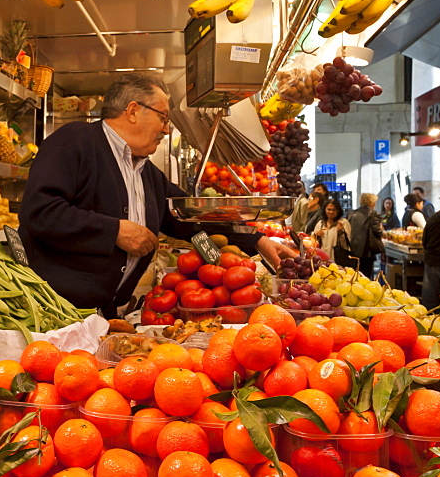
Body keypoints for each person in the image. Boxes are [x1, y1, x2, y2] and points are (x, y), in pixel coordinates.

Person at [18, 73, 296, 318]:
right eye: (163, 117)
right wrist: (114, 231)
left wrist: (256, 240)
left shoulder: (146, 172)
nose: (166, 129)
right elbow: (40, 211)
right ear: (133, 110)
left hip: (102, 314)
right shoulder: (73, 141)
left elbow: (188, 218)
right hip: (55, 313)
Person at [349, 193, 384, 278]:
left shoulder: (351, 213)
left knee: (355, 274)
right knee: (366, 275)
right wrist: (383, 231)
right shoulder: (374, 214)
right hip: (367, 249)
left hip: (353, 248)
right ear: (372, 203)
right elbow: (377, 230)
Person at [314, 199, 353, 265]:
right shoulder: (320, 224)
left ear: (338, 210)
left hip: (337, 261)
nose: (331, 212)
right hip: (322, 260)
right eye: (329, 209)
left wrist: (341, 232)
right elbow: (314, 242)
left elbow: (347, 245)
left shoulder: (343, 222)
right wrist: (317, 235)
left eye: (334, 210)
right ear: (325, 210)